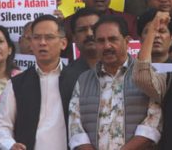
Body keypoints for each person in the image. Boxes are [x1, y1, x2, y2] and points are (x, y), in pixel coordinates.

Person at [68, 15, 162, 149]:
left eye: (113, 39)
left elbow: (153, 124)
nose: (107, 46)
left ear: (127, 41)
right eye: (101, 41)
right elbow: (75, 127)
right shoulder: (84, 80)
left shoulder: (145, 74)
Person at [0, 15, 69, 150]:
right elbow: (2, 125)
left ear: (63, 43)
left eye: (49, 37)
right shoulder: (17, 84)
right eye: (36, 37)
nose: (42, 42)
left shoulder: (77, 79)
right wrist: (10, 145)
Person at [59, 8, 100, 119]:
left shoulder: (121, 69)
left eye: (94, 28)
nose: (89, 34)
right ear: (74, 38)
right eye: (82, 30)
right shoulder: (66, 76)